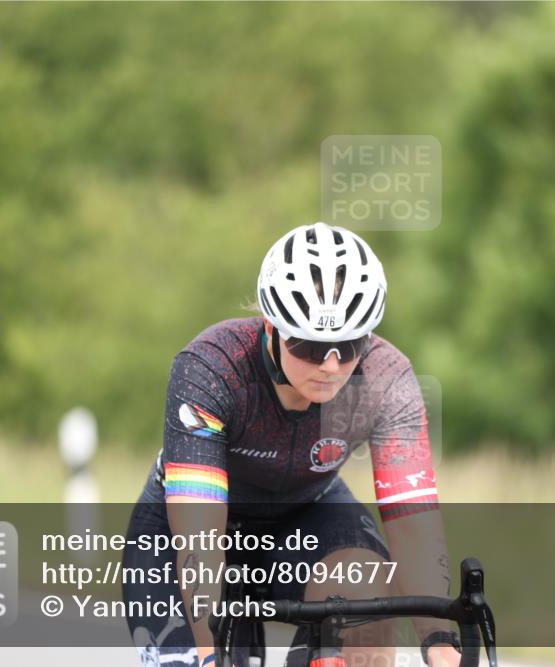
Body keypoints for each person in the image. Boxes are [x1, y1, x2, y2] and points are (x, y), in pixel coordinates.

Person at [122, 222, 460, 667]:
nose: (331, 365)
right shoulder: (214, 367)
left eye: (348, 344)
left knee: (367, 605)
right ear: (271, 327)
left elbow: (413, 521)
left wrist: (440, 641)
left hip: (307, 515)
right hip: (189, 530)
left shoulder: (385, 379)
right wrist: (208, 652)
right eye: (310, 345)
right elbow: (200, 535)